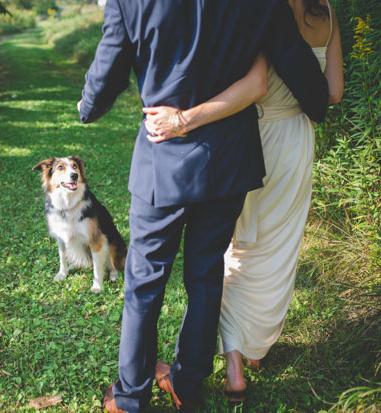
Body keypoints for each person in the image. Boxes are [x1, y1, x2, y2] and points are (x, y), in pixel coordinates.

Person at [77, 1, 329, 412]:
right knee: (206, 274)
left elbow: (109, 70)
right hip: (229, 160)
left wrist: (87, 107)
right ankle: (187, 384)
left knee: (144, 284)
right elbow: (292, 57)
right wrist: (318, 101)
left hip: (164, 161)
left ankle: (129, 399)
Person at [141, 0, 343, 403]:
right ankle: (253, 351)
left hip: (250, 136)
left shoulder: (263, 7)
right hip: (296, 141)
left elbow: (251, 84)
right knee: (276, 248)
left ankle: (234, 363)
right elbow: (333, 93)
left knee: (234, 248)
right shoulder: (327, 13)